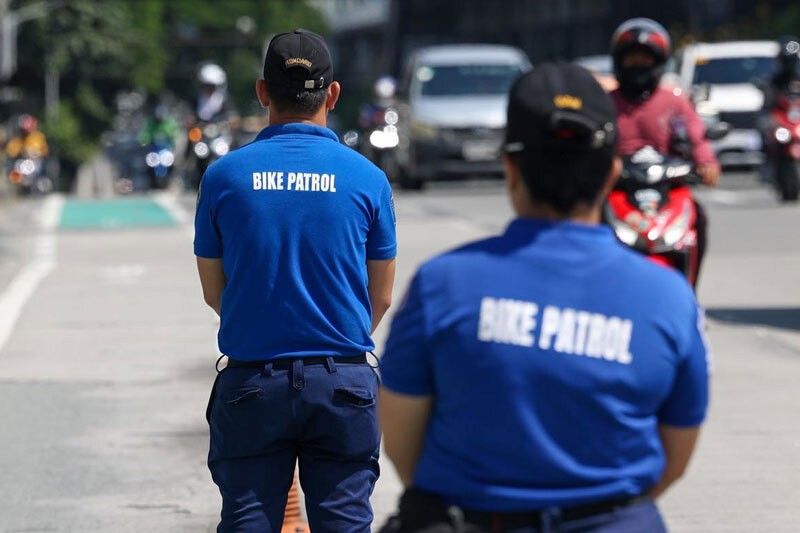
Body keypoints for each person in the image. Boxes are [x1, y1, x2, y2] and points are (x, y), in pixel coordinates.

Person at [378, 63, 710, 533]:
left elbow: (402, 440)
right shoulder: (669, 297)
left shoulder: (443, 283)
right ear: (612, 171)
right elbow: (674, 458)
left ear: (510, 167)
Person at [194, 29, 397, 532]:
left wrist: (266, 322)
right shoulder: (367, 177)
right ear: (332, 94)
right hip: (343, 386)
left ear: (263, 92)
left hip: (251, 384)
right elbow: (383, 295)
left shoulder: (223, 177)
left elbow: (213, 289)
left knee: (247, 521)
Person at [609, 18, 719, 280]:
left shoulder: (674, 101)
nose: (638, 65)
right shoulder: (606, 103)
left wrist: (706, 162)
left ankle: (690, 289)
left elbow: (695, 135)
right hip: (618, 188)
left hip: (667, 188)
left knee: (699, 218)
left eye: (645, 59)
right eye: (632, 58)